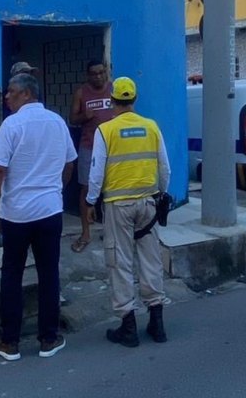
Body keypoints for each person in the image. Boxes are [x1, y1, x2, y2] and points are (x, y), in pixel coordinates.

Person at [0, 73, 77, 361]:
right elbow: (70, 162)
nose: (6, 97)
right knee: (49, 273)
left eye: (11, 92)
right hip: (49, 211)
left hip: (17, 214)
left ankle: (9, 342)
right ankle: (48, 338)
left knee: (12, 274)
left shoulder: (12, 125)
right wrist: (56, 190)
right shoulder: (57, 122)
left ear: (26, 94)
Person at [85, 77, 171, 347]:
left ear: (112, 100)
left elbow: (97, 172)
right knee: (151, 260)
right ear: (134, 100)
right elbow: (165, 168)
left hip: (118, 205)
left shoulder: (105, 130)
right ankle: (157, 323)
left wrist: (90, 201)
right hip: (148, 204)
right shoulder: (151, 126)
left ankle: (128, 326)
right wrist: (160, 194)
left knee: (119, 262)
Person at [68, 60, 114, 253]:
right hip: (89, 147)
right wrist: (83, 117)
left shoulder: (114, 89)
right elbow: (72, 119)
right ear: (88, 75)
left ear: (106, 72)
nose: (98, 77)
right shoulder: (81, 93)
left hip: (113, 147)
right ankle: (86, 233)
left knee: (112, 189)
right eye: (94, 74)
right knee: (86, 189)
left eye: (101, 73)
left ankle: (111, 231)